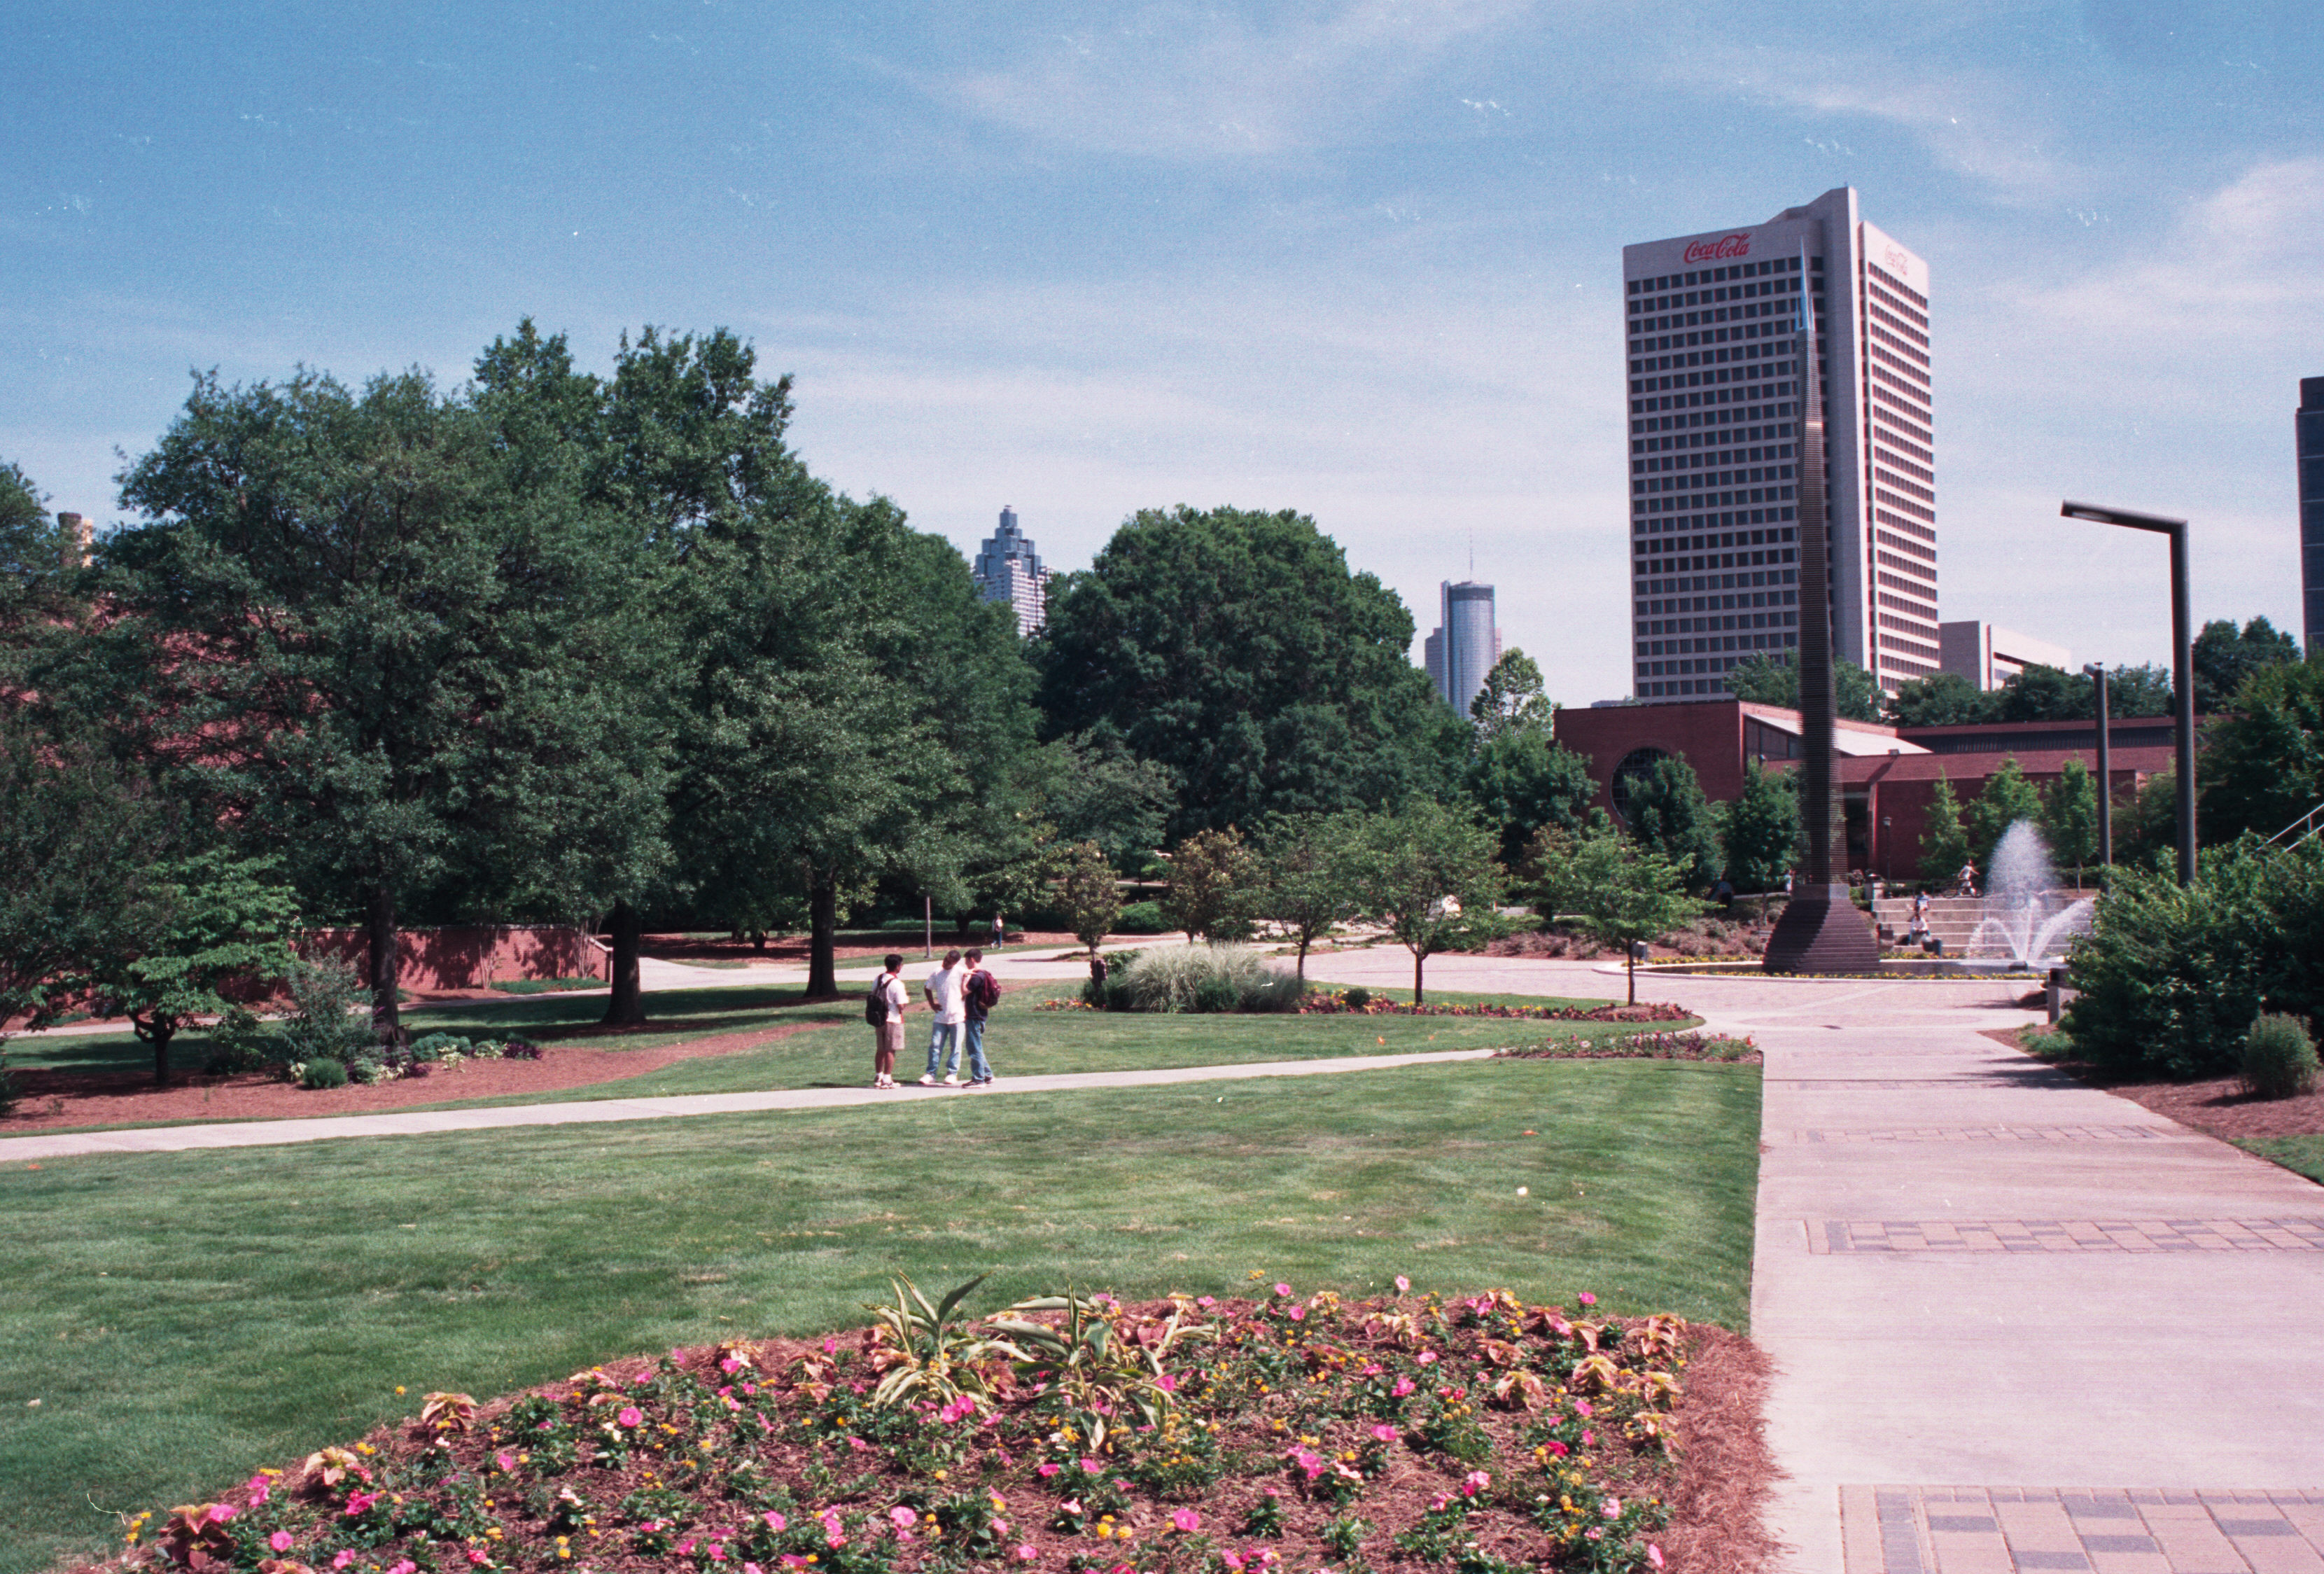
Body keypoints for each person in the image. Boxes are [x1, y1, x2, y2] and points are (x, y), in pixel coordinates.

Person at [918, 948, 967, 1085]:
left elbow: (969, 988)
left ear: (956, 963)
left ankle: (952, 1073)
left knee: (956, 1046)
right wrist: (932, 1004)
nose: (945, 963)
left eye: (949, 962)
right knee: (935, 1045)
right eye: (945, 959)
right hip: (940, 1017)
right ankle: (930, 1073)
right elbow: (927, 988)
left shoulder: (961, 972)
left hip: (957, 1017)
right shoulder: (937, 972)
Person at [960, 947, 1001, 1085]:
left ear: (972, 960)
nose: (966, 964)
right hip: (981, 1014)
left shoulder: (976, 977)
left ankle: (978, 1079)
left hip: (974, 1015)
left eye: (966, 961)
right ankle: (988, 1075)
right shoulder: (984, 974)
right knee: (977, 1046)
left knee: (974, 1049)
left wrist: (964, 978)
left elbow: (965, 991)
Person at [869, 952, 907, 1089]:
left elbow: (873, 995)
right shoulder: (897, 983)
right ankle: (887, 1078)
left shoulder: (878, 979)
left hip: (879, 1019)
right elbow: (901, 1005)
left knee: (880, 1049)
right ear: (898, 966)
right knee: (891, 1049)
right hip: (893, 1019)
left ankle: (878, 1076)